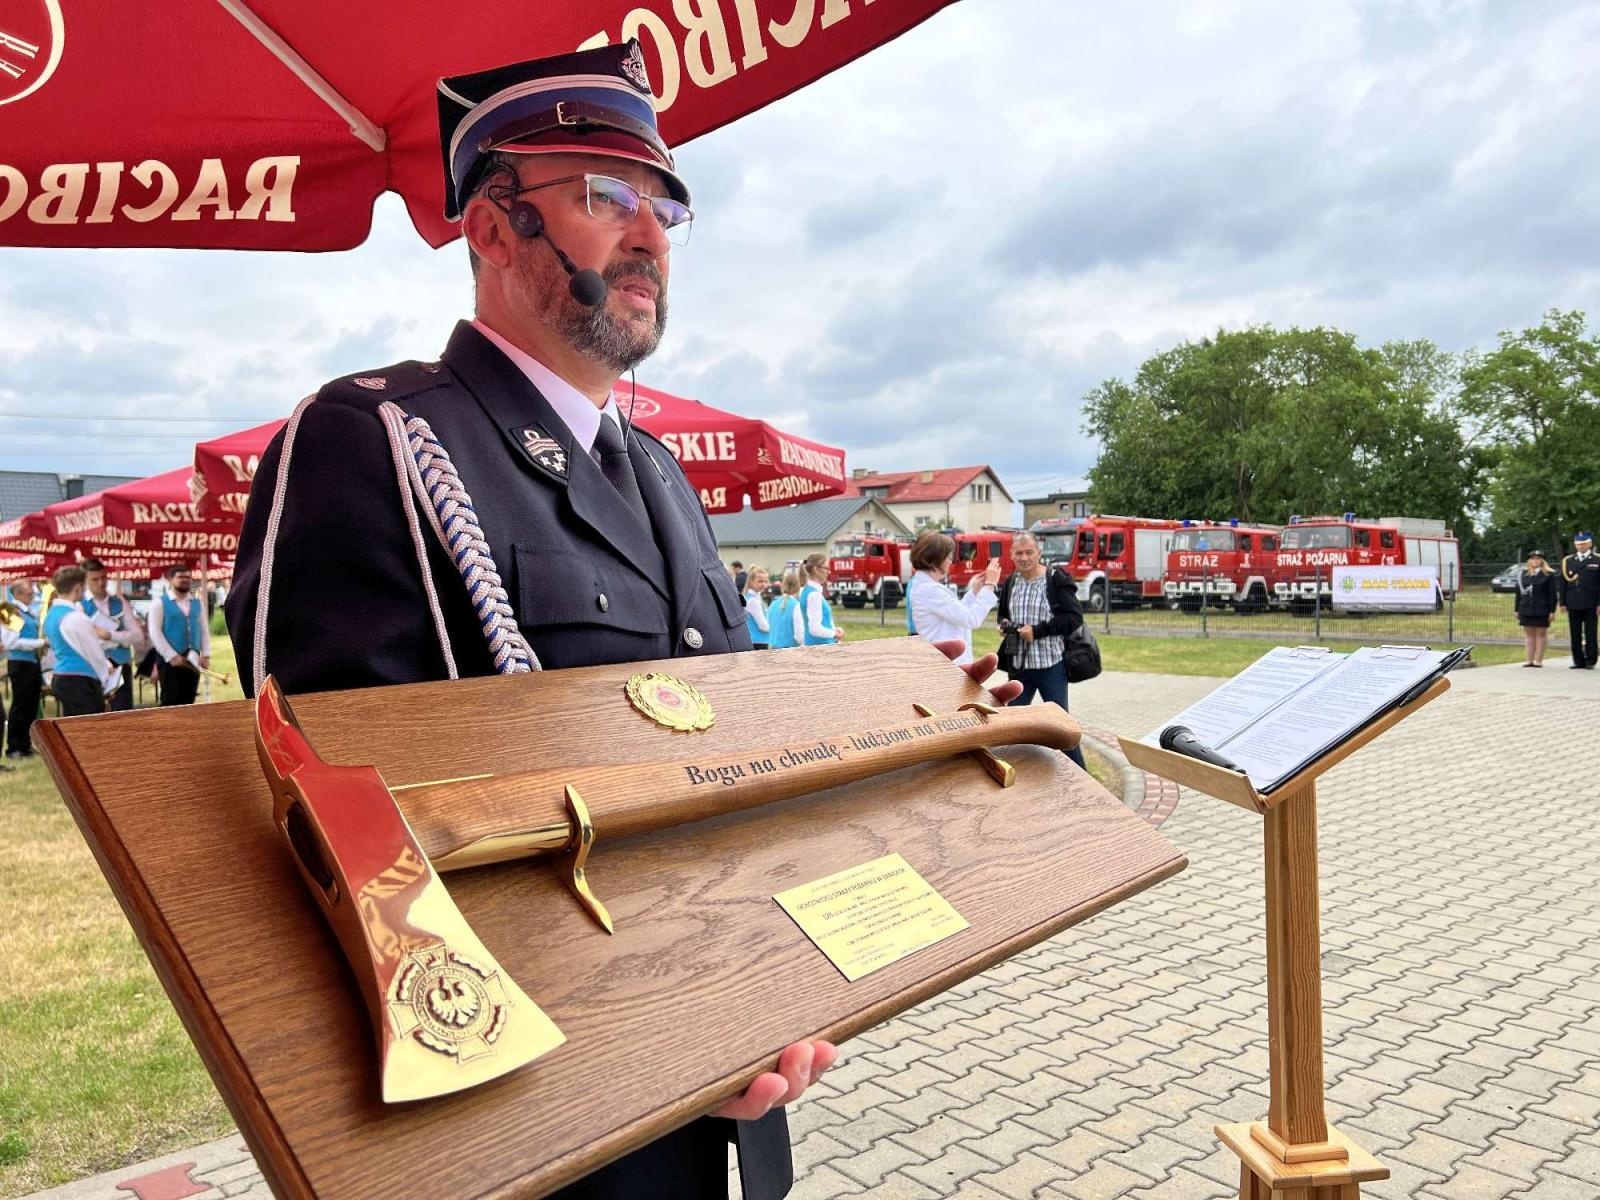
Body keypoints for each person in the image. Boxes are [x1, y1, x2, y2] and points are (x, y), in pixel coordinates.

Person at [225, 41, 1029, 1200]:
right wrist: (662, 1029)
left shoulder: (660, 473)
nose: (648, 233)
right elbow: (331, 835)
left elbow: (734, 766)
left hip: (720, 1102)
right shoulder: (378, 439)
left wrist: (779, 985)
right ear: (492, 228)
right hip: (519, 1121)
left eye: (662, 204)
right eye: (604, 196)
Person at [995, 532, 1088, 769]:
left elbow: (1074, 617)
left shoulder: (1055, 579)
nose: (1024, 557)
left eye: (1029, 552)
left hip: (1050, 666)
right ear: (1011, 555)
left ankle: (1081, 776)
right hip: (1020, 668)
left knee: (1060, 727)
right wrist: (1004, 625)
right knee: (1013, 725)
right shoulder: (1011, 582)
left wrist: (1038, 631)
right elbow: (1003, 613)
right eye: (1019, 553)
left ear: (1039, 553)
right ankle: (1017, 774)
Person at [907, 532, 1001, 665]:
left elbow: (956, 616)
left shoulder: (926, 587)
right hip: (947, 665)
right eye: (948, 557)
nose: (950, 562)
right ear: (935, 559)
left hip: (945, 663)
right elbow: (971, 619)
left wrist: (974, 592)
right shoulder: (931, 590)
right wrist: (990, 585)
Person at [42, 565, 118, 718]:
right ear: (77, 588)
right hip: (80, 679)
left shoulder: (52, 614)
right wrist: (105, 681)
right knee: (90, 730)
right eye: (84, 586)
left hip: (62, 675)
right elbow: (92, 652)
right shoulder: (75, 617)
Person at [81, 558, 144, 710]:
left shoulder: (120, 602)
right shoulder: (80, 606)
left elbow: (137, 635)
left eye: (103, 578)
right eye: (95, 579)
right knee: (93, 714)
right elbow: (83, 640)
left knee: (123, 714)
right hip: (92, 666)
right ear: (85, 581)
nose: (101, 583)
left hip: (120, 665)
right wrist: (121, 639)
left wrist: (110, 636)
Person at [149, 564, 210, 706]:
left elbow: (204, 630)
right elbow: (155, 632)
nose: (185, 580)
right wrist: (171, 656)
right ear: (170, 579)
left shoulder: (196, 603)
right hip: (169, 660)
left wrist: (206, 654)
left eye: (188, 577)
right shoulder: (159, 603)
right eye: (181, 577)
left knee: (189, 698)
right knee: (170, 700)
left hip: (192, 658)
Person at [1, 592, 48, 769]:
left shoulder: (28, 612)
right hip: (20, 663)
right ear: (19, 593)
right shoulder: (11, 610)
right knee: (20, 705)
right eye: (28, 588)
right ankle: (14, 746)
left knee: (30, 705)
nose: (32, 591)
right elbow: (11, 642)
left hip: (31, 662)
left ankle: (25, 743)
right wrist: (39, 643)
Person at [1512, 550, 1559, 667]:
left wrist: (1552, 611)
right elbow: (1518, 593)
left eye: (1538, 559)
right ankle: (1529, 660)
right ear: (1529, 561)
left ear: (1542, 561)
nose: (1535, 561)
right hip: (1526, 608)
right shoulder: (1523, 574)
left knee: (1541, 633)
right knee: (1529, 634)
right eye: (1533, 559)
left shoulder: (1548, 575)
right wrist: (1516, 609)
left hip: (1542, 609)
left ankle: (1538, 660)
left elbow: (1552, 595)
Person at [1560, 531, 1599, 669]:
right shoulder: (1568, 561)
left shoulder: (1597, 559)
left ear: (1589, 543)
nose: (1581, 547)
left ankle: (1590, 660)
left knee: (1591, 632)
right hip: (1573, 601)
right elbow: (1563, 583)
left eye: (1583, 544)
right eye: (1578, 544)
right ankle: (1578, 660)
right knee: (1575, 632)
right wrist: (1562, 602)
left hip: (1591, 601)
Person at [798, 553, 843, 646]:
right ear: (815, 569)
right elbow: (814, 628)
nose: (828, 572)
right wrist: (834, 634)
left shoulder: (808, 590)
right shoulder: (813, 594)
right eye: (826, 568)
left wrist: (833, 630)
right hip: (821, 646)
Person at [767, 570, 804, 650]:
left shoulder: (773, 604)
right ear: (798, 586)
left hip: (772, 649)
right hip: (789, 651)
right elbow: (799, 636)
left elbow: (769, 627)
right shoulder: (796, 605)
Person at [742, 566, 771, 649]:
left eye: (765, 581)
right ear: (751, 581)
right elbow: (763, 626)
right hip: (758, 642)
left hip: (756, 641)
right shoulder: (753, 601)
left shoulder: (753, 597)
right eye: (760, 581)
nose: (763, 584)